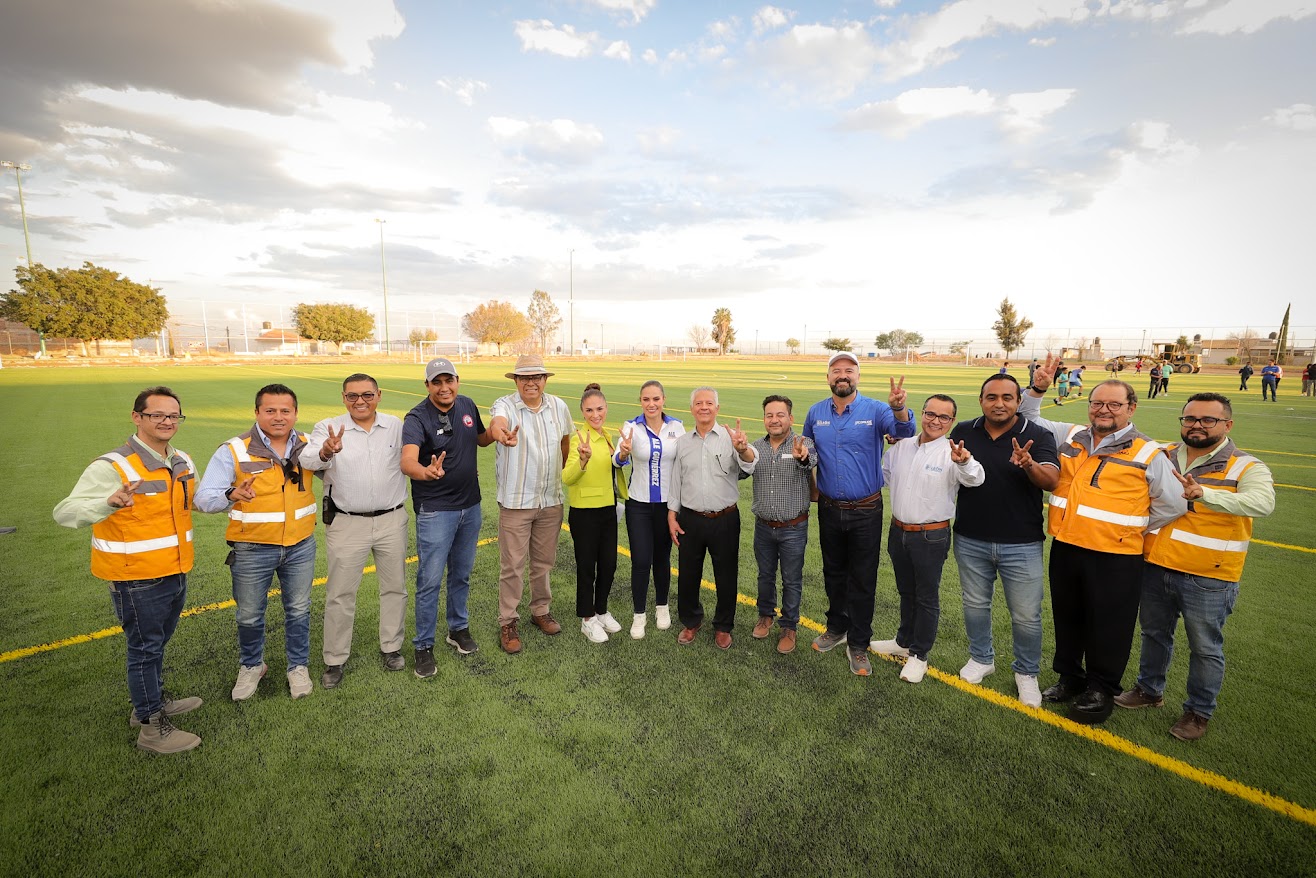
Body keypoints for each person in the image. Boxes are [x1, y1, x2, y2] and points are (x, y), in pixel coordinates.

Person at [1022, 359, 1186, 724]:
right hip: (1067, 546)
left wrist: (1129, 527)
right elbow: (1026, 414)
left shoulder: (1147, 452)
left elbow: (1174, 504)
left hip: (1116, 554)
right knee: (1069, 616)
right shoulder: (1071, 435)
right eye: (1098, 403)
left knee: (1109, 623)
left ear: (1131, 408)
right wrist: (1039, 387)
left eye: (1114, 404)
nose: (1104, 410)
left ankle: (1101, 687)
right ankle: (1071, 677)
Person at [1115, 393, 1275, 741]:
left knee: (1205, 647)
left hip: (1209, 576)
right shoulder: (1165, 453)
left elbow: (1262, 503)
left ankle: (1198, 712)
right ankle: (1149, 690)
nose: (1197, 425)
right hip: (1156, 565)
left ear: (1227, 425)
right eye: (1190, 419)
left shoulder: (1246, 466)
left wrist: (1205, 494)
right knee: (1154, 634)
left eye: (1208, 420)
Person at [53, 386, 203, 753]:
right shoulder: (112, 466)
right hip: (136, 577)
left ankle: (149, 704)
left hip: (175, 570)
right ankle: (152, 729)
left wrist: (229, 496)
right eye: (157, 415)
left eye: (173, 416)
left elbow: (189, 503)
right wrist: (109, 502)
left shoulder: (181, 459)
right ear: (137, 418)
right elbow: (65, 512)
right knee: (144, 650)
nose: (167, 422)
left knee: (156, 646)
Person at [196, 384, 318, 701]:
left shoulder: (307, 445)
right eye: (270, 410)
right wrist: (230, 495)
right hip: (252, 550)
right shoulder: (233, 450)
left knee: (299, 610)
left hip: (301, 546)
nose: (279, 417)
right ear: (257, 413)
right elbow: (204, 498)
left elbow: (333, 471)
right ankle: (252, 665)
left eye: (285, 410)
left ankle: (298, 667)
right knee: (249, 614)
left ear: (295, 413)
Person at [948, 374, 1060, 707]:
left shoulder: (1038, 435)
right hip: (970, 537)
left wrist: (1029, 464)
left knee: (1026, 615)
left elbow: (1052, 480)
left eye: (1007, 398)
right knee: (975, 605)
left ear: (1018, 401)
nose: (999, 403)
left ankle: (1026, 673)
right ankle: (982, 658)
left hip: (1021, 542)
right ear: (981, 399)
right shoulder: (963, 431)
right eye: (991, 397)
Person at [803, 352, 915, 676]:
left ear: (857, 377)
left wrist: (898, 408)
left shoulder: (877, 409)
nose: (842, 375)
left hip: (866, 510)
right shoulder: (816, 412)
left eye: (848, 370)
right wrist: (802, 456)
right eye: (836, 370)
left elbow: (905, 433)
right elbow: (809, 453)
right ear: (828, 378)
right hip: (828, 509)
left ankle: (858, 644)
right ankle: (836, 628)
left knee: (863, 579)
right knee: (833, 574)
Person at [300, 373, 408, 688]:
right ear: (344, 397)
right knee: (340, 594)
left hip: (391, 519)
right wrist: (327, 451)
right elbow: (308, 460)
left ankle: (392, 646)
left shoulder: (395, 426)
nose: (359, 401)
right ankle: (334, 660)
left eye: (366, 395)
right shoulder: (328, 427)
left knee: (395, 587)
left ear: (378, 395)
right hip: (347, 522)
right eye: (352, 396)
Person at [872, 394, 983, 683]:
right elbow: (882, 476)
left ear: (951, 422)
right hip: (898, 532)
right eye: (930, 414)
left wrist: (965, 463)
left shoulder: (953, 452)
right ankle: (903, 641)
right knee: (906, 592)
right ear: (922, 413)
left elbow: (975, 478)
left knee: (926, 597)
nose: (936, 421)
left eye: (943, 417)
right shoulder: (902, 447)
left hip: (930, 537)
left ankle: (919, 655)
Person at [402, 357, 493, 677]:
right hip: (436, 511)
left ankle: (458, 629)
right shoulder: (416, 418)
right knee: (429, 580)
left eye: (449, 380)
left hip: (471, 507)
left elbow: (481, 438)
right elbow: (407, 461)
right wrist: (425, 472)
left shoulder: (467, 404)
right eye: (436, 382)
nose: (444, 388)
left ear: (458, 380)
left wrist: (497, 433)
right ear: (427, 385)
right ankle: (423, 645)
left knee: (462, 574)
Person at [487, 354, 574, 654]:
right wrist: (501, 433)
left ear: (545, 380)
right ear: (516, 381)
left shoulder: (558, 406)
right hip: (516, 501)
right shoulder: (506, 405)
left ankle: (540, 611)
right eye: (525, 377)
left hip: (550, 499)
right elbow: (497, 424)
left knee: (543, 562)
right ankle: (508, 621)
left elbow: (565, 442)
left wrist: (559, 473)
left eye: (536, 377)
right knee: (512, 565)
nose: (531, 382)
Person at [667, 388, 757, 649]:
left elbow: (750, 464)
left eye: (709, 403)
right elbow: (677, 482)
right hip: (690, 519)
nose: (703, 407)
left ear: (717, 408)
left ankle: (723, 626)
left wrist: (743, 449)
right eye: (698, 403)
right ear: (691, 409)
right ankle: (691, 620)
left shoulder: (731, 439)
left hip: (725, 519)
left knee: (726, 574)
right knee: (688, 575)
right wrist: (672, 516)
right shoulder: (683, 443)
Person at [741, 394, 816, 654]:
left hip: (793, 528)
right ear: (764, 419)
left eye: (780, 415)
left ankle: (789, 626)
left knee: (791, 579)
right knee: (765, 575)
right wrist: (741, 451)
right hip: (763, 526)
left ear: (790, 418)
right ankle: (765, 616)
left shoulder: (803, 443)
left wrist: (802, 456)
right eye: (769, 415)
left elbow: (810, 462)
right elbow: (741, 471)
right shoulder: (756, 447)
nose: (774, 420)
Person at [614, 380, 685, 639]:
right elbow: (617, 460)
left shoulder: (676, 427)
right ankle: (639, 614)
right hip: (639, 505)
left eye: (656, 398)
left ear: (663, 399)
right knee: (641, 560)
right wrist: (623, 453)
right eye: (646, 399)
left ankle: (662, 606)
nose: (651, 404)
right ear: (640, 401)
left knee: (662, 559)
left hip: (667, 507)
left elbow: (683, 461)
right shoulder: (631, 427)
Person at [563, 383, 622, 643]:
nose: (595, 414)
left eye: (599, 409)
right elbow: (566, 477)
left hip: (608, 510)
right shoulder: (578, 438)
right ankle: (587, 619)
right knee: (588, 568)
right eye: (589, 410)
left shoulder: (607, 436)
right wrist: (583, 460)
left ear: (606, 408)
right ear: (582, 412)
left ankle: (601, 610)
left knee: (608, 565)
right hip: (585, 512)